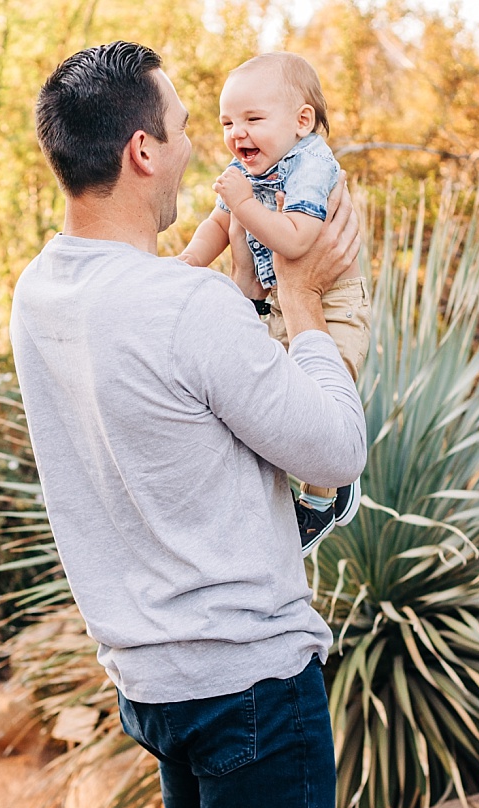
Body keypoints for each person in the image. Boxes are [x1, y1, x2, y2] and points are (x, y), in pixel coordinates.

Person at [12, 41, 366, 808]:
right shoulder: (185, 305)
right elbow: (334, 450)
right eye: (179, 130)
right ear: (141, 152)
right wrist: (306, 302)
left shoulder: (41, 291)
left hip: (154, 686)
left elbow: (164, 358)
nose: (194, 149)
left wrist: (237, 291)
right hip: (251, 682)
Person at [179, 51, 371, 551]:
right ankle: (311, 482)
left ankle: (324, 498)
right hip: (285, 301)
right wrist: (188, 262)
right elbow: (221, 223)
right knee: (279, 398)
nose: (237, 133)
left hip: (333, 304)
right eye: (227, 122)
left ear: (302, 121)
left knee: (319, 395)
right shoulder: (249, 168)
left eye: (253, 119)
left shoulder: (310, 165)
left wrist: (243, 203)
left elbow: (294, 241)